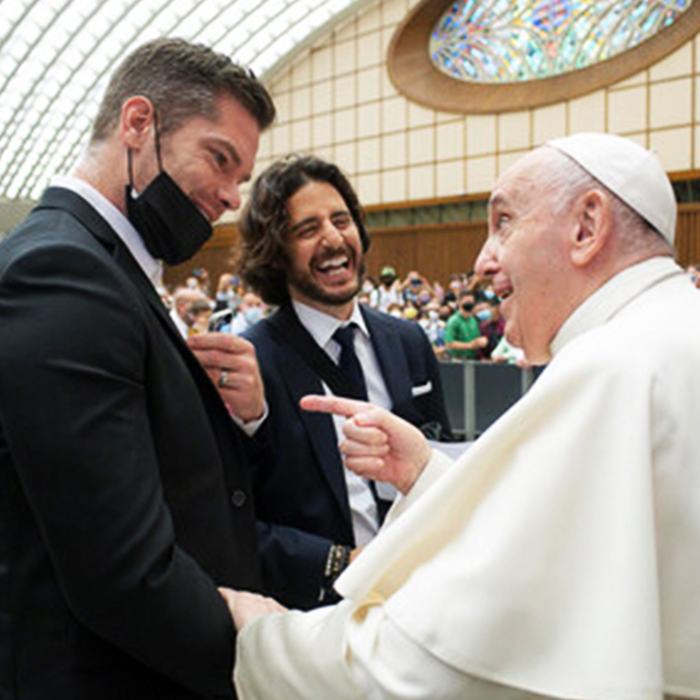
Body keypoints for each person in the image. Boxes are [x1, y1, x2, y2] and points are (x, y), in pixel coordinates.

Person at [221, 133, 700, 700]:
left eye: (504, 222)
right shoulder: (665, 335)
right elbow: (545, 523)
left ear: (587, 226)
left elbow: (428, 665)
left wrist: (263, 641)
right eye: (306, 229)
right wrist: (426, 473)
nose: (482, 259)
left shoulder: (608, 369)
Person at [0, 38, 275, 700]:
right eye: (220, 159)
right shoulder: (62, 273)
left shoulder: (111, 270)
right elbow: (121, 573)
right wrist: (266, 661)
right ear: (138, 124)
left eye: (241, 176)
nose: (233, 196)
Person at [233, 154, 452, 610]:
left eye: (341, 220)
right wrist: (341, 562)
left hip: (423, 597)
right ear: (274, 253)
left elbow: (441, 459)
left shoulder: (408, 341)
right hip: (318, 614)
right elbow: (232, 520)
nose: (334, 239)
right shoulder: (250, 363)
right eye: (307, 229)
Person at [444, 288, 489, 359]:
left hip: (473, 358)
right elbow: (449, 343)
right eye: (467, 301)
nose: (469, 303)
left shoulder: (473, 320)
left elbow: (476, 338)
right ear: (459, 302)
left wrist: (481, 341)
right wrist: (469, 345)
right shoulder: (454, 320)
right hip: (457, 359)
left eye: (471, 301)